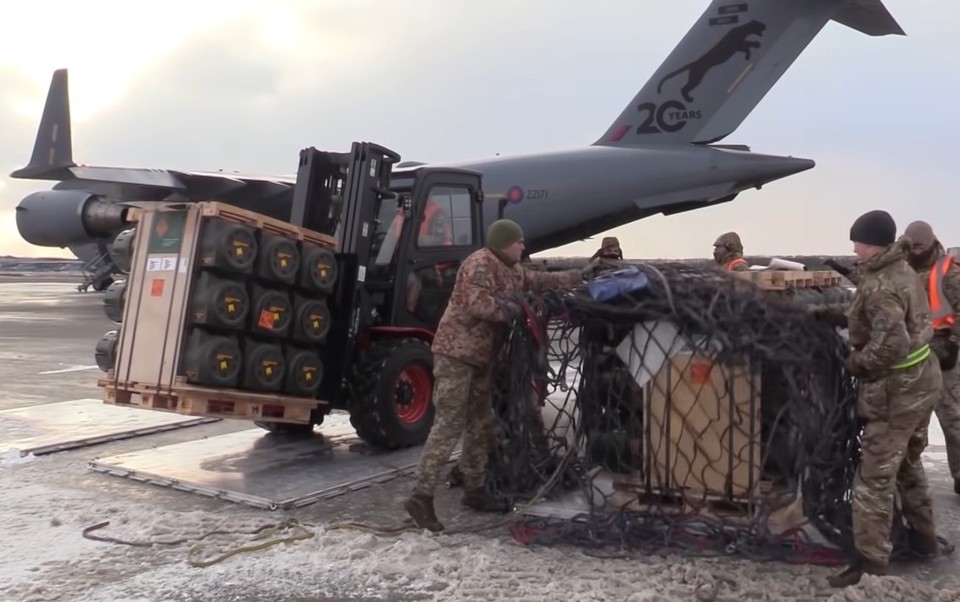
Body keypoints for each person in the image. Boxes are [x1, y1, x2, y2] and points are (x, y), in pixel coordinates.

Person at [403, 219, 605, 532]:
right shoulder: (480, 264)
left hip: (482, 358)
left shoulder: (513, 270)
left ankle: (475, 489)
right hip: (456, 355)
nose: (523, 246)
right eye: (518, 241)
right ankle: (421, 496)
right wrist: (516, 309)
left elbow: (540, 281)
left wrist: (580, 275)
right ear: (504, 243)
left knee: (480, 422)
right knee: (449, 423)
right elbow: (478, 304)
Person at [828, 210, 942, 588]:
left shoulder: (882, 284)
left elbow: (891, 344)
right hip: (922, 382)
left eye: (858, 242)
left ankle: (871, 563)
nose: (854, 249)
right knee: (908, 463)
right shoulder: (900, 268)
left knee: (874, 479)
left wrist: (854, 363)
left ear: (874, 244)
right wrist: (830, 314)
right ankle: (924, 539)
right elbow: (876, 315)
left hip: (897, 393)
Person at [904, 220, 960, 494]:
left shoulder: (948, 271)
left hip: (943, 353)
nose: (916, 251)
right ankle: (909, 483)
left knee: (954, 419)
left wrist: (953, 344)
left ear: (931, 243)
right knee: (912, 423)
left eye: (920, 246)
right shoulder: (900, 268)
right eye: (911, 246)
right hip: (911, 356)